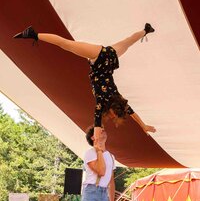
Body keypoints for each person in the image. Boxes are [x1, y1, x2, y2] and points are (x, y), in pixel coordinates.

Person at [13, 24, 156, 142]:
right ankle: (34, 34)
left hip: (111, 58)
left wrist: (143, 125)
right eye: (113, 115)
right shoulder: (102, 102)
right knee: (66, 44)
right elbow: (97, 124)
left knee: (128, 41)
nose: (112, 116)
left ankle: (146, 30)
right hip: (98, 57)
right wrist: (98, 141)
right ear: (113, 108)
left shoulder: (117, 97)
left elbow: (133, 114)